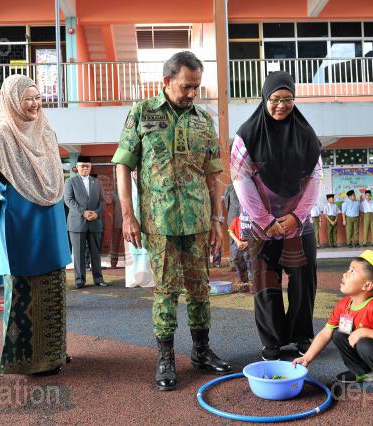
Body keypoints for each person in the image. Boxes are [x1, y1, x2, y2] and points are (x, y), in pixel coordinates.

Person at [113, 51, 232, 391]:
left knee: (200, 289)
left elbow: (213, 173)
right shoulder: (143, 112)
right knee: (166, 290)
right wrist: (128, 215)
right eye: (185, 86)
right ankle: (165, 357)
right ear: (166, 81)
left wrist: (217, 219)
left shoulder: (203, 120)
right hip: (159, 221)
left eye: (196, 87)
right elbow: (123, 164)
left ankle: (201, 350)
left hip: (197, 220)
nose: (192, 93)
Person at [0, 74, 72, 375]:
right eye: (27, 98)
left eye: (38, 98)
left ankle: (54, 352)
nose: (34, 104)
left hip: (51, 223)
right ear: (12, 102)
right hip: (21, 226)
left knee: (53, 286)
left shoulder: (46, 132)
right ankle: (27, 361)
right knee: (23, 290)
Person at [232, 70, 322, 361]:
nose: (281, 105)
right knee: (265, 281)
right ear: (265, 98)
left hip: (299, 223)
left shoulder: (306, 134)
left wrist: (297, 216)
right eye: (275, 99)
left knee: (303, 282)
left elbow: (315, 177)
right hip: (260, 226)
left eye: (288, 99)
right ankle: (271, 340)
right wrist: (265, 220)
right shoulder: (247, 134)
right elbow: (241, 179)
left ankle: (301, 335)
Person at [292, 250, 373, 402]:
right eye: (348, 269)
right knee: (338, 333)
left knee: (364, 343)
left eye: (352, 271)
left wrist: (364, 332)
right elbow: (326, 332)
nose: (345, 274)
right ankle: (364, 372)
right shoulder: (343, 304)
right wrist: (307, 357)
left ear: (367, 285)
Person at [64, 156, 107, 288]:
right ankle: (79, 280)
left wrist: (97, 213)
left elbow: (103, 201)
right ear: (77, 167)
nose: (85, 168)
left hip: (95, 222)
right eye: (82, 166)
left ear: (90, 167)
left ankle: (98, 279)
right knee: (78, 254)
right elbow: (68, 200)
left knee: (96, 253)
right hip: (77, 223)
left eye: (87, 166)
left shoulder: (97, 182)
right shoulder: (70, 181)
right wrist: (83, 212)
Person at [227, 209, 252, 291]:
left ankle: (252, 283)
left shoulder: (251, 221)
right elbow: (230, 231)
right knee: (238, 262)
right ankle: (244, 282)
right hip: (238, 243)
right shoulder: (236, 220)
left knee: (250, 263)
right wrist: (237, 241)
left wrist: (247, 243)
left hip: (248, 244)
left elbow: (256, 234)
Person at [223, 183, 241, 270]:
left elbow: (226, 202)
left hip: (232, 215)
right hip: (243, 216)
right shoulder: (247, 184)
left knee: (233, 239)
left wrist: (231, 209)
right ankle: (241, 262)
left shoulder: (230, 187)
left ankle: (233, 263)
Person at [110, 190, 124, 268]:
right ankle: (113, 263)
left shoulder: (131, 192)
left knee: (129, 243)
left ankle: (129, 263)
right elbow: (111, 209)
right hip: (117, 221)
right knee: (115, 243)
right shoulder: (114, 194)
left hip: (127, 221)